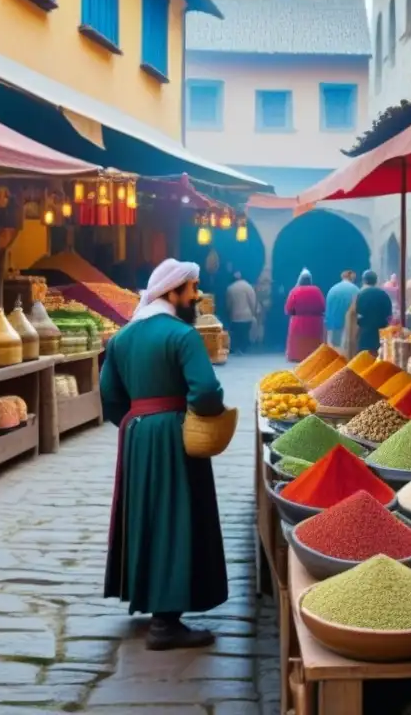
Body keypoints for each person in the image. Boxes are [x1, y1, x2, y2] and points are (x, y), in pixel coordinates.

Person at [99, 258, 228, 651]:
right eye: (191, 288)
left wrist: (138, 423)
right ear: (172, 292)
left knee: (148, 517)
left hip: (137, 436)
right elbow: (206, 391)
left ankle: (154, 602)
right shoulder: (181, 336)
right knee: (175, 517)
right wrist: (199, 420)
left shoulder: (122, 338)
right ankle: (166, 624)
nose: (196, 296)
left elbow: (108, 396)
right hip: (175, 433)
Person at [284, 269, 326, 362]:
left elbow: (288, 309)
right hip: (315, 322)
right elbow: (323, 307)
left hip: (298, 321)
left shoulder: (295, 291)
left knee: (298, 342)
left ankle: (296, 357)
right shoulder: (317, 290)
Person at [354, 270, 393, 354]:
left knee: (364, 360)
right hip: (380, 334)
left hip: (365, 334)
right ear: (376, 281)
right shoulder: (383, 294)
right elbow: (389, 315)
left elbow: (357, 313)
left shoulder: (361, 295)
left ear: (364, 280)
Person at [325, 271, 359, 349]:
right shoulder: (356, 290)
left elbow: (328, 309)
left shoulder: (332, 290)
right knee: (346, 350)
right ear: (352, 278)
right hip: (349, 325)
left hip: (334, 324)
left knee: (334, 348)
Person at [225, 271, 257, 354]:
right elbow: (252, 302)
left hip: (235, 316)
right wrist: (253, 313)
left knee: (237, 333)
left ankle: (237, 348)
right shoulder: (248, 286)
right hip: (247, 315)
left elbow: (229, 304)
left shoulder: (230, 288)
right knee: (245, 333)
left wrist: (229, 313)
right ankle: (244, 348)